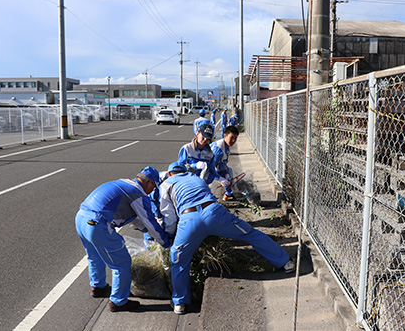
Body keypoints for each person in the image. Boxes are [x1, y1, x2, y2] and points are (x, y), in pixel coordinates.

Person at [159, 166, 295, 315]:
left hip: (189, 220)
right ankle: (285, 262)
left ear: (170, 174)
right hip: (214, 214)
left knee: (178, 258)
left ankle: (180, 302)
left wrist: (172, 235)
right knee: (250, 234)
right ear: (184, 171)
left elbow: (169, 216)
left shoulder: (166, 184)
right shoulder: (195, 177)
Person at [75, 167, 171, 312]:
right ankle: (118, 302)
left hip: (81, 218)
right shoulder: (138, 194)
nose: (152, 191)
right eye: (153, 187)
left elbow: (136, 221)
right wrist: (165, 241)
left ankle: (98, 287)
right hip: (98, 224)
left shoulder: (123, 184)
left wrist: (147, 231)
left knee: (95, 256)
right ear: (150, 183)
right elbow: (149, 221)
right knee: (122, 263)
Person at [210, 125, 239, 201]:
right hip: (205, 170)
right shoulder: (218, 150)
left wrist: (226, 173)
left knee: (229, 172)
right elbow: (210, 168)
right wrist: (219, 178)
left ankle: (228, 193)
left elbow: (222, 163)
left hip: (215, 168)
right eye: (231, 137)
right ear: (225, 136)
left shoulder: (226, 147)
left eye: (235, 138)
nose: (233, 141)